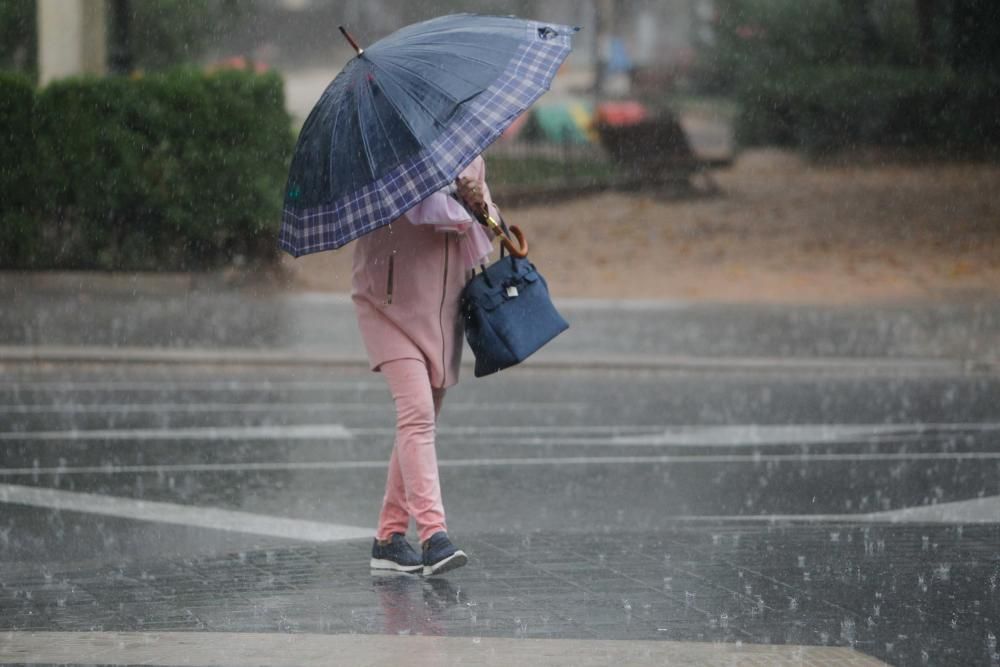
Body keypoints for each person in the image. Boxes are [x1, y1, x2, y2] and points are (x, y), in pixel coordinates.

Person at [351, 155, 499, 576]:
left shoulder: (466, 153)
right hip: (386, 307)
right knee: (416, 415)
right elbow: (373, 212)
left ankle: (389, 538)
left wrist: (476, 201)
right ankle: (434, 536)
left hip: (444, 309)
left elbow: (489, 224)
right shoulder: (378, 157)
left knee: (421, 418)